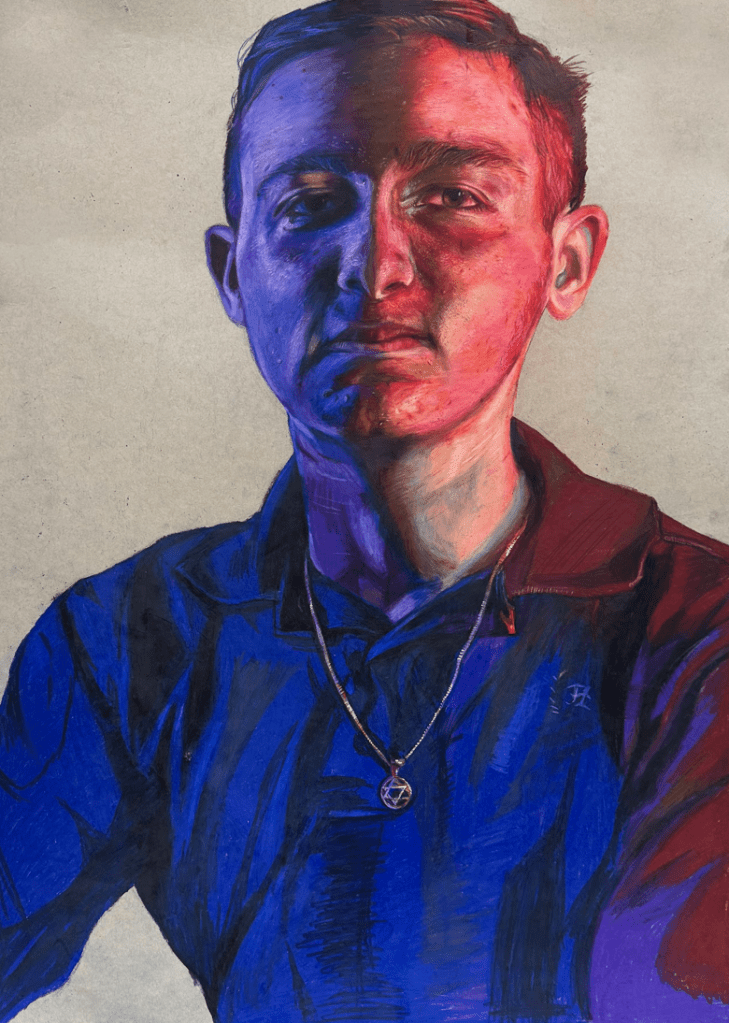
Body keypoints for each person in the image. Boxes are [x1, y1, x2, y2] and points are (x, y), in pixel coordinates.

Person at [1, 1, 728, 1020]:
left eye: (453, 196)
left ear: (566, 262)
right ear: (233, 274)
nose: (375, 264)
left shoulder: (698, 633)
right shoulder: (126, 639)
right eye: (308, 205)